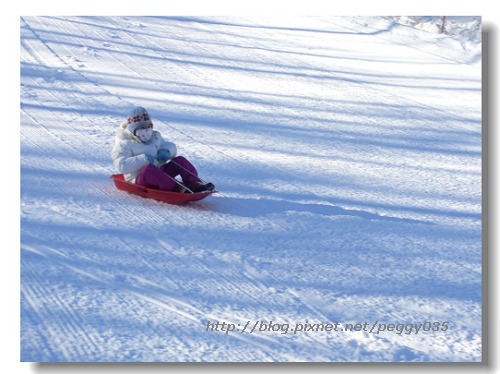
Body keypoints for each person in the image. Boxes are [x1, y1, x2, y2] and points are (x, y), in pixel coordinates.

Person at [112, 106, 214, 193]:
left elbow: (169, 146)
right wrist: (144, 159)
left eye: (148, 126)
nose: (147, 130)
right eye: (142, 127)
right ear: (133, 129)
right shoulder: (124, 143)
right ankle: (177, 189)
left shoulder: (155, 136)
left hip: (161, 171)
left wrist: (167, 151)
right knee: (149, 170)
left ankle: (194, 183)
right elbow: (122, 165)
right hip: (139, 177)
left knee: (180, 160)